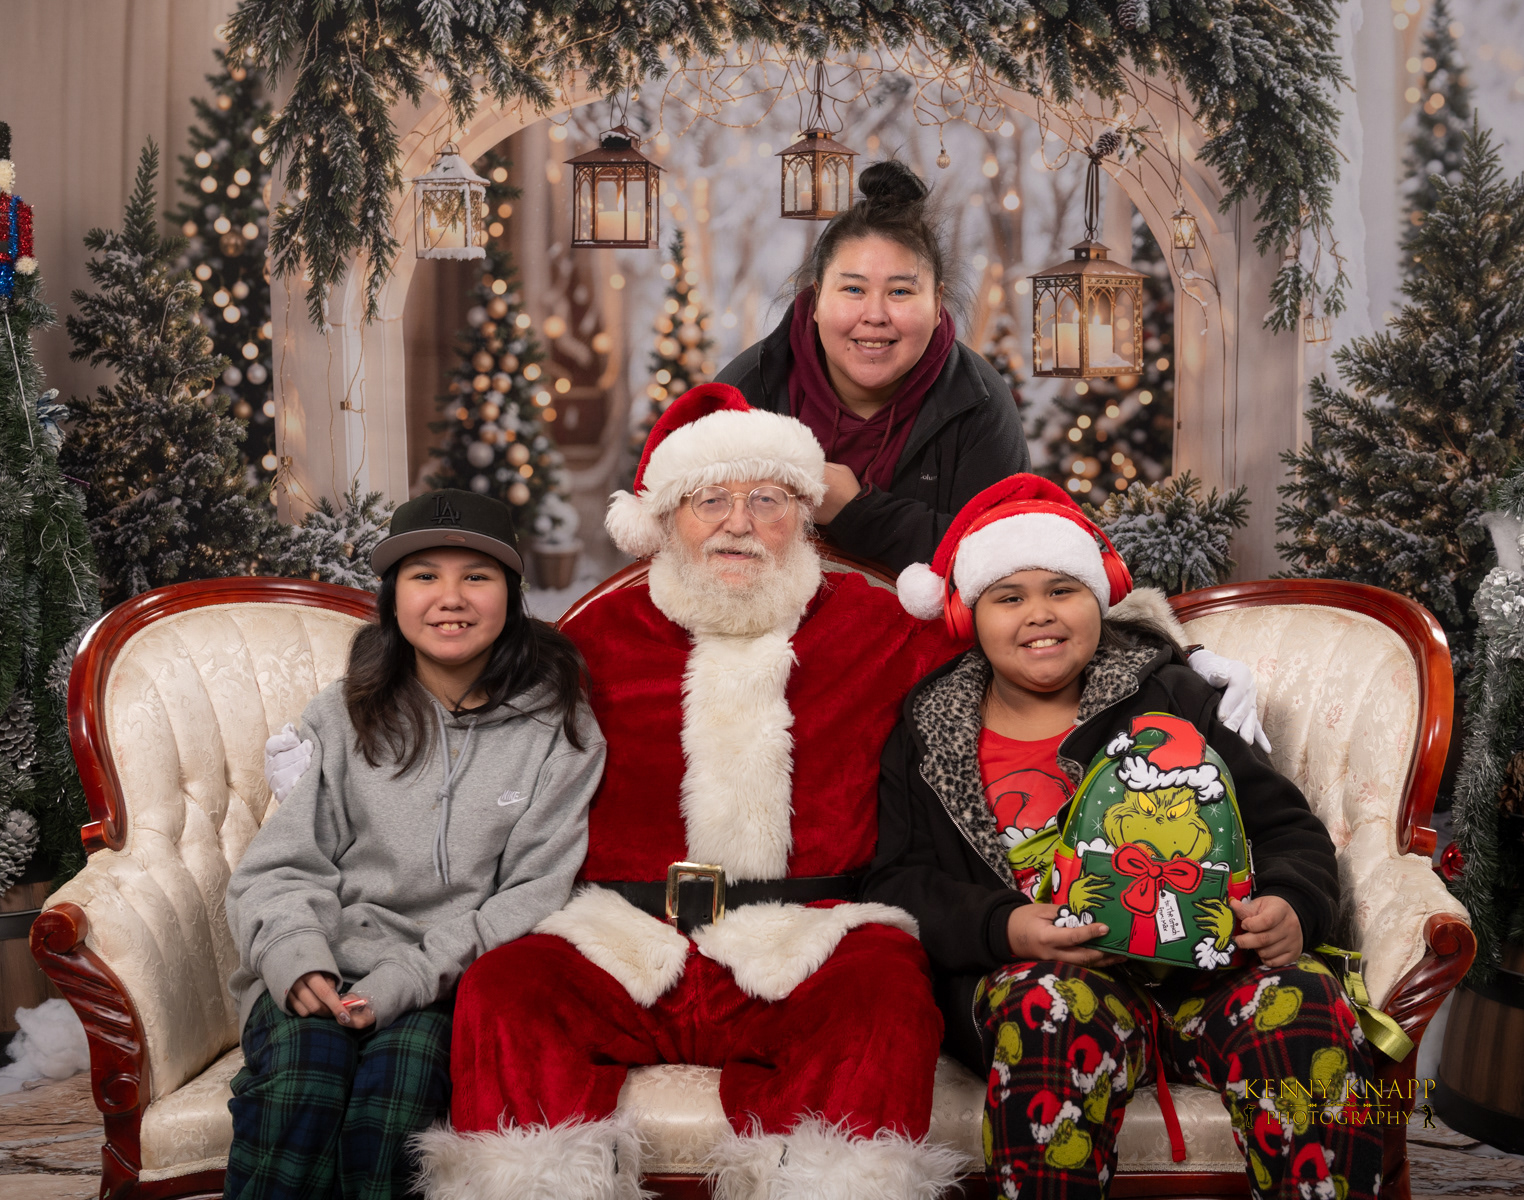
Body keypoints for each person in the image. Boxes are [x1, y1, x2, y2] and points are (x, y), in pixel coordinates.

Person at [863, 474, 1384, 1200]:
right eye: (1008, 597)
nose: (1039, 614)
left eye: (1062, 590)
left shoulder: (1169, 695)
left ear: (1100, 598)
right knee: (1048, 1010)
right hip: (1046, 985)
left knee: (1301, 1003)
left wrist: (1293, 903)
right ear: (966, 614)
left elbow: (1285, 827)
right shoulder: (929, 728)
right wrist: (1005, 926)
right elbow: (897, 881)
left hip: (1209, 973)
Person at [223, 489, 605, 1200]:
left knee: (393, 1106)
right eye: (424, 575)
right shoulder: (341, 713)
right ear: (393, 597)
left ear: (511, 594)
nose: (450, 598)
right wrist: (295, 956)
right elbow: (280, 865)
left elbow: (535, 893)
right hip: (320, 962)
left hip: (443, 981)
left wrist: (408, 978)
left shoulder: (560, 729)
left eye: (476, 576)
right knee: (303, 1084)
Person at [714, 159, 1031, 575]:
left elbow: (1007, 559)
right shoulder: (747, 389)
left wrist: (857, 511)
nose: (876, 315)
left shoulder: (978, 403)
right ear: (817, 298)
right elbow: (691, 535)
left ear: (936, 303)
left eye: (900, 291)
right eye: (853, 289)